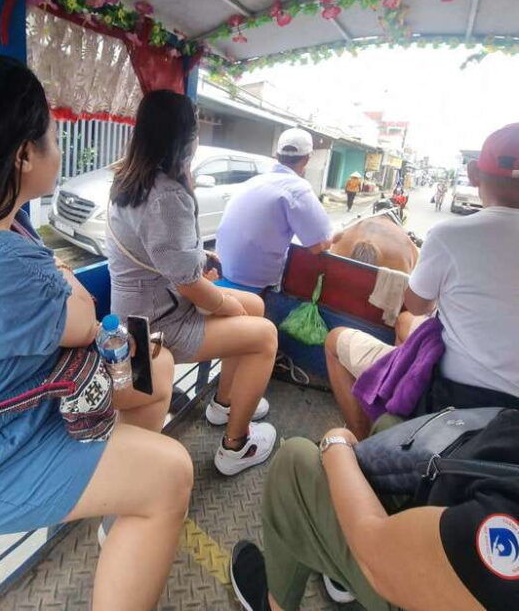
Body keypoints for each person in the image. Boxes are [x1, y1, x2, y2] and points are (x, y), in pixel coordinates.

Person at [0, 53, 193, 611]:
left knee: (153, 364)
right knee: (170, 474)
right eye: (51, 132)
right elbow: (84, 317)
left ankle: (119, 510)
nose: (59, 145)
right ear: (24, 153)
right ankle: (136, 504)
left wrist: (63, 280)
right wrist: (65, 277)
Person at [107, 90, 278, 476]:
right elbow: (189, 285)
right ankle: (237, 445)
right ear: (186, 138)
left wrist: (203, 259)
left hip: (145, 308)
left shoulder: (132, 178)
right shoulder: (166, 195)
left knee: (255, 308)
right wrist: (225, 307)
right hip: (156, 327)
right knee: (263, 334)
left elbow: (166, 254)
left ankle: (224, 403)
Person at [325, 123, 519, 439]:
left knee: (337, 339)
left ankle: (364, 442)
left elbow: (416, 305)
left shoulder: (450, 235)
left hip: (450, 396)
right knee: (406, 326)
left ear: (473, 174)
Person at [230, 429, 516, 611]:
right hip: (459, 492)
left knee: (294, 462)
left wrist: (335, 445)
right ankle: (340, 576)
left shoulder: (504, 528)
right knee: (387, 427)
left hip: (414, 587)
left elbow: (376, 549)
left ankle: (273, 603)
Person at [215, 128, 332, 291]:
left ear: (277, 156)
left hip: (221, 269)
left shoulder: (254, 181)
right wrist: (335, 238)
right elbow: (318, 245)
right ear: (307, 159)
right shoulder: (298, 189)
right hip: (253, 282)